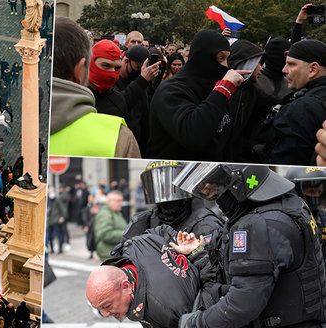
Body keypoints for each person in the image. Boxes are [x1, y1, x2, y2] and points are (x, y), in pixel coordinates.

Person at [172, 163, 326, 327]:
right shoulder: (286, 204)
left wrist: (194, 323)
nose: (213, 194)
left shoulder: (260, 224)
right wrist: (198, 250)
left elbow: (241, 304)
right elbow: (237, 268)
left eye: (217, 186)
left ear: (239, 183)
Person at [148, 29, 250, 161]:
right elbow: (193, 136)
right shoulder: (170, 90)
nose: (226, 65)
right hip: (175, 174)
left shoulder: (213, 86)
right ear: (203, 57)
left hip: (211, 175)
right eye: (221, 58)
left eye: (227, 58)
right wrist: (223, 90)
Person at [49, 17, 140, 158]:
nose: (111, 73)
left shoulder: (119, 100)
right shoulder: (122, 137)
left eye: (117, 68)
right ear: (83, 67)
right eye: (105, 66)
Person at [85, 225, 201, 327]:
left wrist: (192, 250)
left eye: (107, 306)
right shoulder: (133, 246)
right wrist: (180, 243)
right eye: (99, 309)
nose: (105, 314)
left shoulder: (164, 311)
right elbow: (161, 230)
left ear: (126, 286)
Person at [122, 161, 223, 241]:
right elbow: (121, 257)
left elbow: (212, 264)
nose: (165, 192)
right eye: (161, 186)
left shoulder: (206, 224)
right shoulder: (143, 221)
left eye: (171, 187)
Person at [265, 40, 326, 165]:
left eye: (291, 64)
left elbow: (284, 168)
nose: (284, 70)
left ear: (313, 69)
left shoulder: (302, 108)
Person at [285, 167, 326, 259]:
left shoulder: (323, 216)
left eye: (318, 191)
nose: (316, 194)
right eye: (311, 191)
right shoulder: (287, 221)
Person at [93, 191, 127, 261]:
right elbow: (105, 234)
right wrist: (125, 233)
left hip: (114, 252)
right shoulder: (105, 214)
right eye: (118, 201)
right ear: (109, 201)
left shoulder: (116, 213)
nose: (121, 203)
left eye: (121, 201)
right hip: (108, 253)